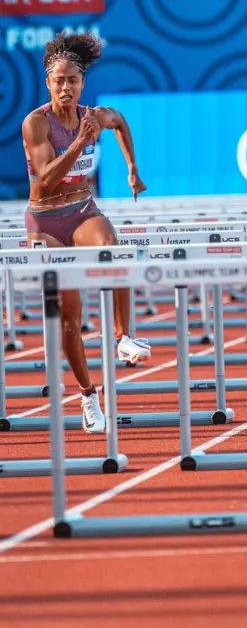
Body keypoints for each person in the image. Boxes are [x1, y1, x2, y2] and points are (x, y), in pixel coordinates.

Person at [22, 33, 150, 433]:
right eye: (58, 80)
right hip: (46, 221)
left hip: (81, 210)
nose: (66, 87)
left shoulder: (96, 115)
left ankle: (123, 336)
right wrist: (79, 141)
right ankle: (89, 397)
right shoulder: (35, 123)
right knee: (69, 322)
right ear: (48, 83)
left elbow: (121, 121)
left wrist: (132, 167)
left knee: (112, 248)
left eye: (73, 80)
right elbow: (45, 177)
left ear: (82, 83)